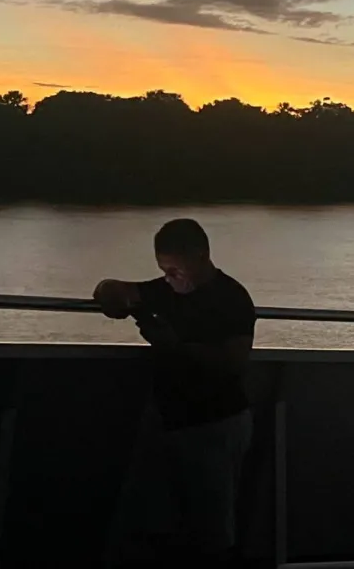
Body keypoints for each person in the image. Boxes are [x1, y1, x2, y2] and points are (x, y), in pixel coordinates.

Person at [95, 218, 256, 568]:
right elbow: (115, 289)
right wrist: (113, 295)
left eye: (175, 270)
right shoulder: (164, 290)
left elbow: (233, 363)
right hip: (167, 420)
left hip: (215, 424)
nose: (170, 278)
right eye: (164, 270)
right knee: (152, 523)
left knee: (211, 531)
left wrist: (175, 345)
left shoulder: (233, 298)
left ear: (201, 257)